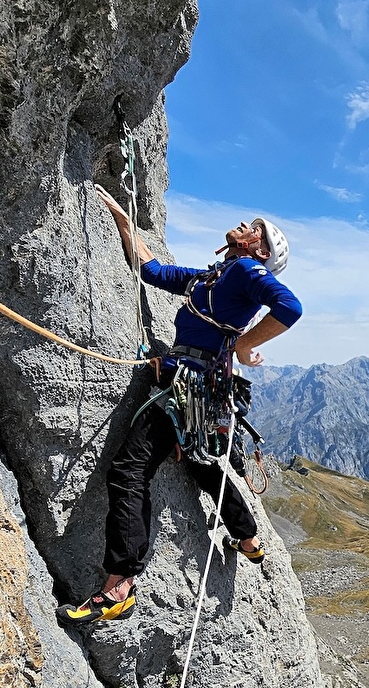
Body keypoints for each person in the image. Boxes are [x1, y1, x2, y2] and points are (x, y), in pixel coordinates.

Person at [57, 185, 302, 627]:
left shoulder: (246, 271)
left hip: (189, 386)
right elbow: (152, 270)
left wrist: (244, 347)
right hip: (201, 388)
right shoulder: (212, 278)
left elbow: (290, 306)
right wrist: (123, 218)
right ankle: (247, 537)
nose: (245, 225)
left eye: (255, 228)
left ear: (260, 249)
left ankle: (118, 588)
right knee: (200, 463)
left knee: (129, 471)